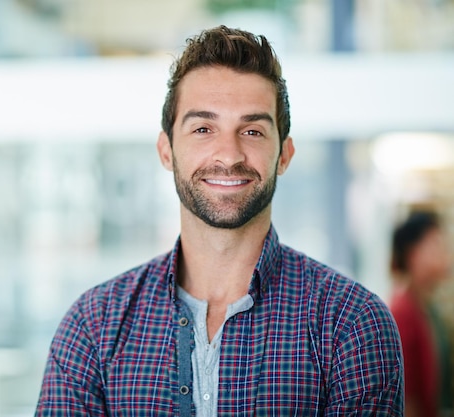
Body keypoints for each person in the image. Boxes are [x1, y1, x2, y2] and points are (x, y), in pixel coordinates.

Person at [35, 25, 403, 416]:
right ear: (166, 150)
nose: (229, 155)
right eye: (203, 129)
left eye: (252, 130)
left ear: (284, 155)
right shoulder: (93, 326)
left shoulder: (350, 323)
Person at [389, 210, 453, 417]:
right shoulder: (403, 312)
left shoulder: (425, 306)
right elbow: (406, 396)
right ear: (413, 253)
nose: (445, 252)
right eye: (436, 243)